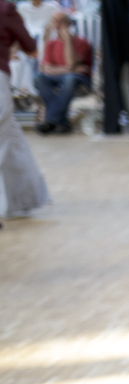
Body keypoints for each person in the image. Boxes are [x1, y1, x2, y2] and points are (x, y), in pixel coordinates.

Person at [1, 0, 48, 221]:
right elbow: (31, 48)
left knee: (13, 142)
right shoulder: (5, 8)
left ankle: (22, 202)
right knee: (6, 141)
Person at [33, 10, 90, 133]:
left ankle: (50, 121)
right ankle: (62, 122)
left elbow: (71, 64)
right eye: (55, 22)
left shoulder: (82, 42)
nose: (57, 25)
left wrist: (68, 42)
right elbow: (46, 69)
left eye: (61, 22)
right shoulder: (51, 44)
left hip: (79, 80)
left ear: (69, 24)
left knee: (69, 78)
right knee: (40, 78)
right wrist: (70, 69)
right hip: (62, 77)